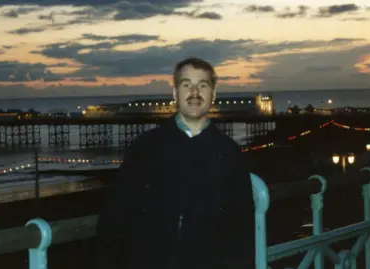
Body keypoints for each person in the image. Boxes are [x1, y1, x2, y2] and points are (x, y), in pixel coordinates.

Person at [95, 57, 255, 269]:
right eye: (186, 85)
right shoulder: (144, 148)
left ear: (213, 95)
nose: (195, 93)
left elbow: (242, 232)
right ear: (175, 94)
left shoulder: (230, 154)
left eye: (203, 86)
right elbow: (114, 220)